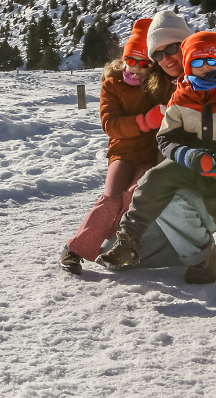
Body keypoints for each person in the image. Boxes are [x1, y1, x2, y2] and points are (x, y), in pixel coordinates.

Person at [98, 31, 216, 302]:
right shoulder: (181, 95)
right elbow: (166, 137)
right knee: (151, 182)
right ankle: (128, 242)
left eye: (210, 62)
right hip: (188, 164)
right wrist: (187, 155)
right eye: (196, 63)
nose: (204, 68)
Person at [59, 19, 163, 274]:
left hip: (151, 155)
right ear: (124, 59)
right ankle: (75, 249)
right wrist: (145, 121)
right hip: (123, 151)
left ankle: (120, 247)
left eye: (143, 63)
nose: (136, 69)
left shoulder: (160, 85)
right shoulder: (112, 83)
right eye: (131, 61)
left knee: (134, 196)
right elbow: (110, 124)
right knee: (112, 197)